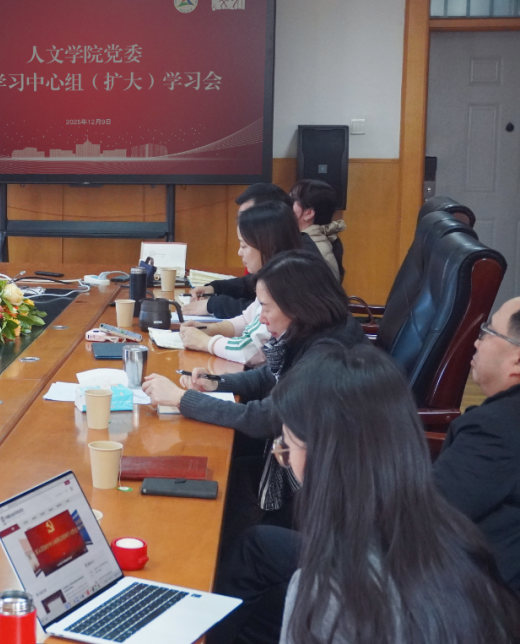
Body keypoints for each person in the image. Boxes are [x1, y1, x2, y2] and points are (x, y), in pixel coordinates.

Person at [271, 342, 520, 643]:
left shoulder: (329, 591)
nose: (287, 461)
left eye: (285, 449)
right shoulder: (468, 547)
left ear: (321, 458)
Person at [144, 250, 365, 528]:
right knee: (222, 468)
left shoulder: (329, 356)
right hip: (303, 462)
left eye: (266, 308)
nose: (261, 319)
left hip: (323, 496)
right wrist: (216, 382)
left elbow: (263, 418)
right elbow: (270, 376)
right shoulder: (319, 329)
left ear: (297, 305)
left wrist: (181, 399)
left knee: (217, 477)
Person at [434, 296, 520, 595]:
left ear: (517, 361)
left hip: (476, 600)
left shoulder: (496, 430)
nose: (476, 342)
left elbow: (424, 515)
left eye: (488, 332)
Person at [179, 202, 302, 366]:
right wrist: (212, 329)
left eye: (244, 246)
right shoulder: (274, 276)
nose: (239, 252)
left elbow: (251, 350)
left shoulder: (284, 285)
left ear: (267, 245)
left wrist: (206, 343)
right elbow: (247, 320)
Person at [289, 179, 345, 281]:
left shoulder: (309, 248)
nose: (286, 204)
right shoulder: (308, 241)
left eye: (292, 199)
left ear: (309, 213)